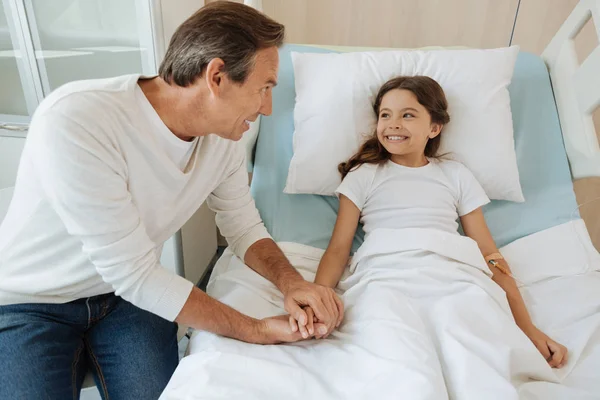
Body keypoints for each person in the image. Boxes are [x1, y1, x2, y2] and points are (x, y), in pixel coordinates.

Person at [0, 2, 342, 399]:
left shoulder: (223, 140)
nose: (266, 107)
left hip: (123, 301)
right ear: (217, 77)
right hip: (31, 303)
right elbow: (137, 274)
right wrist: (258, 329)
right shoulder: (78, 120)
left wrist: (292, 284)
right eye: (264, 88)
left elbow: (243, 227)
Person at [304, 75, 567, 382]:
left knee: (468, 337)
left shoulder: (455, 174)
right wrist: (318, 298)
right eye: (385, 115)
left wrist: (528, 328)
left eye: (408, 115)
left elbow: (488, 252)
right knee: (394, 343)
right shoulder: (365, 175)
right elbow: (338, 249)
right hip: (387, 275)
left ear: (434, 127)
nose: (393, 124)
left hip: (453, 275)